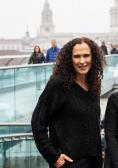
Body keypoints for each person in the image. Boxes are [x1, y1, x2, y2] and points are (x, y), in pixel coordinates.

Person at [31, 37, 105, 168]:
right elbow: (37, 122)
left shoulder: (93, 84)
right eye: (77, 56)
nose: (82, 61)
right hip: (69, 164)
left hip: (94, 162)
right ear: (69, 59)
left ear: (93, 58)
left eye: (86, 55)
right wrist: (53, 156)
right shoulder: (58, 85)